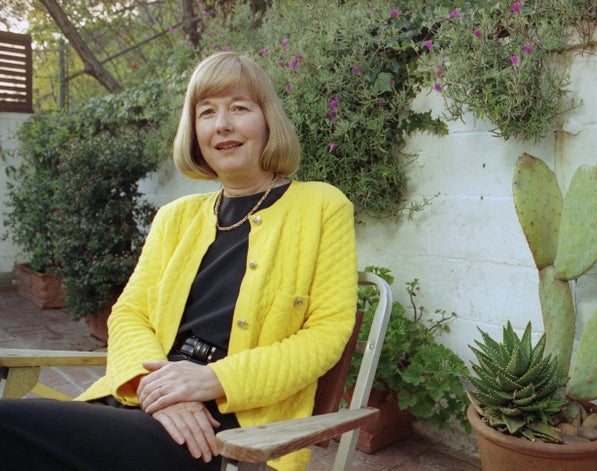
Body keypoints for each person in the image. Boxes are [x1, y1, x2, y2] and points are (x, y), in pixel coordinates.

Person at [0, 52, 357, 471]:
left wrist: (211, 381)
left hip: (225, 431)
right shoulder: (175, 217)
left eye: (239, 107)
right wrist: (162, 391)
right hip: (148, 402)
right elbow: (129, 314)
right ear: (195, 131)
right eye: (207, 112)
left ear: (267, 122)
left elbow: (326, 334)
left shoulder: (321, 206)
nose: (222, 123)